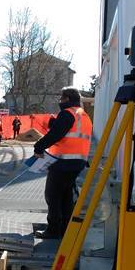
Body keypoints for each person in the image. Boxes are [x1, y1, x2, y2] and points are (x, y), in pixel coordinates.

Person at [33, 87, 92, 239]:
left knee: (52, 195)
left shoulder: (67, 114)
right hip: (78, 162)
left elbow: (55, 135)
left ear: (67, 99)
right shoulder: (83, 115)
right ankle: (65, 230)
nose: (60, 101)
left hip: (63, 162)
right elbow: (69, 133)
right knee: (66, 197)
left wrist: (38, 146)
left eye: (61, 98)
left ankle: (53, 230)